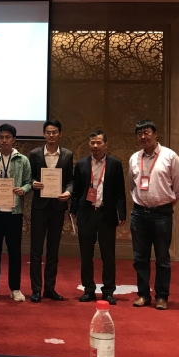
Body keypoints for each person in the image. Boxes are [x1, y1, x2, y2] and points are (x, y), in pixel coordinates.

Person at [128, 120, 179, 311]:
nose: (143, 137)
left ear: (155, 134)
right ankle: (143, 295)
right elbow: (132, 185)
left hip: (162, 215)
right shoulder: (134, 158)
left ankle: (161, 296)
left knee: (162, 258)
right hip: (139, 214)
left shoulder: (170, 156)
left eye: (147, 132)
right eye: (140, 134)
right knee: (140, 258)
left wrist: (164, 206)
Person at [70, 130, 126, 305]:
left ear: (105, 145)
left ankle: (108, 291)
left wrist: (122, 213)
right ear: (89, 144)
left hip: (106, 214)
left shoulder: (115, 164)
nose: (95, 146)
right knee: (86, 255)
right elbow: (77, 191)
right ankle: (89, 290)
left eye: (99, 143)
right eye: (92, 143)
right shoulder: (81, 164)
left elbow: (120, 192)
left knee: (108, 255)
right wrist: (73, 210)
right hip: (86, 213)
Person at [0, 124, 32, 302]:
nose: (4, 140)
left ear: (14, 139)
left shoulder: (22, 160)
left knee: (14, 252)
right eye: (1, 137)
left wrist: (23, 189)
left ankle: (15, 288)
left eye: (7, 137)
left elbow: (29, 182)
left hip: (14, 213)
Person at [28, 119, 74, 303]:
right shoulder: (35, 154)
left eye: (55, 132)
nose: (51, 135)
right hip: (39, 207)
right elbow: (29, 177)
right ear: (43, 134)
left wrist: (68, 192)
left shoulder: (67, 155)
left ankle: (50, 288)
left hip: (57, 207)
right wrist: (33, 183)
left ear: (60, 134)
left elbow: (70, 180)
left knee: (53, 250)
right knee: (36, 250)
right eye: (48, 132)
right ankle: (36, 289)